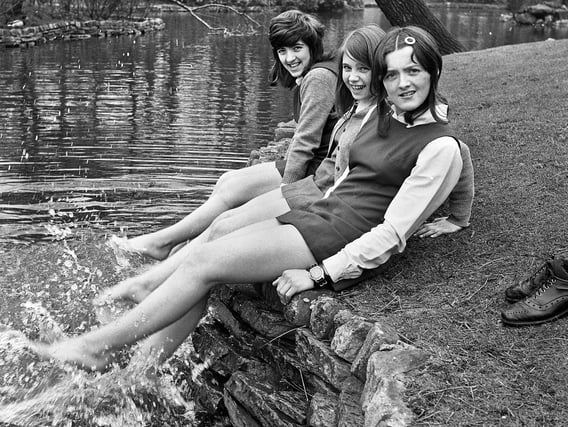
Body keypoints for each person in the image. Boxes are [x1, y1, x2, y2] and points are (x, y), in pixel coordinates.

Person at [31, 26, 465, 372]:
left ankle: (95, 347)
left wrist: (319, 276)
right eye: (392, 74)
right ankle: (140, 372)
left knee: (203, 263)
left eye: (413, 71)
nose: (402, 83)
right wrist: (301, 202)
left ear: (434, 72)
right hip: (320, 214)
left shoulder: (438, 146)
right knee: (211, 256)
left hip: (337, 238)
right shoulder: (385, 114)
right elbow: (345, 179)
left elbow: (391, 233)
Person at [93, 24, 474, 306]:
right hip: (318, 190)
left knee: (224, 225)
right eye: (349, 67)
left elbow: (450, 147)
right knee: (226, 203)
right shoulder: (362, 102)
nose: (355, 77)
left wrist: (458, 217)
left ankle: (157, 266)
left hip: (317, 196)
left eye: (366, 69)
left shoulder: (370, 102)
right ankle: (161, 260)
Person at [117, 10, 340, 260]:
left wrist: (285, 191)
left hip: (316, 172)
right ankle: (176, 247)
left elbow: (305, 141)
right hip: (313, 163)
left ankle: (167, 246)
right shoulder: (317, 73)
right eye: (282, 51)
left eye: (297, 48)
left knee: (230, 193)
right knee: (228, 180)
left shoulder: (319, 78)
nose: (289, 58)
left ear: (312, 45)